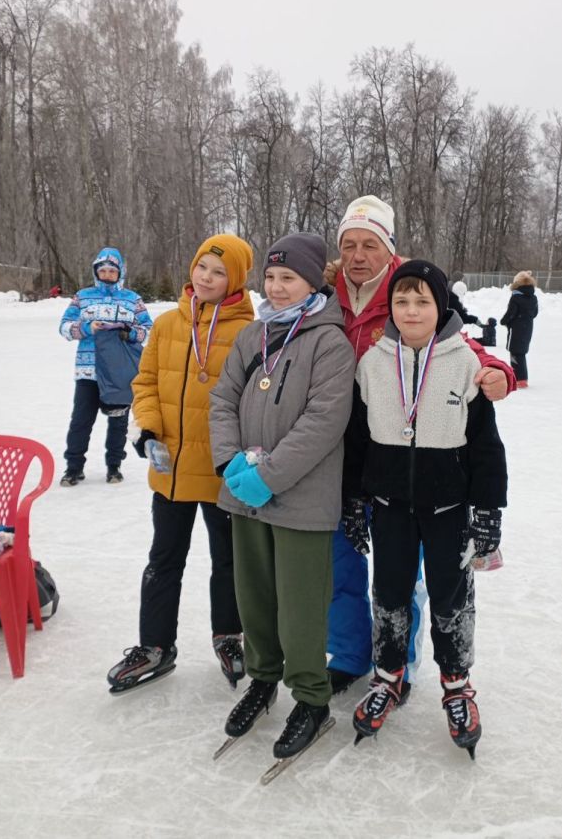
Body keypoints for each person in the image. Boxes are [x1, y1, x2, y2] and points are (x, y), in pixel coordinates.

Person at [327, 195, 516, 696]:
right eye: (349, 244)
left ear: (390, 251)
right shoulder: (325, 297)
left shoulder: (406, 287)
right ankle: (348, 655)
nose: (358, 254)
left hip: (416, 457)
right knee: (346, 563)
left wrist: (497, 368)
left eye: (370, 244)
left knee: (404, 576)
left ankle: (398, 667)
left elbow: (454, 349)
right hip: (346, 450)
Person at [344, 260, 507, 756]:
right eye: (401, 301)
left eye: (422, 302)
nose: (411, 311)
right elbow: (356, 441)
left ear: (441, 308)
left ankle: (457, 685)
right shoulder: (373, 363)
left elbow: (486, 448)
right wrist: (353, 499)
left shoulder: (464, 364)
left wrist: (488, 512)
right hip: (390, 507)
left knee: (451, 600)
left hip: (450, 510)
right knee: (389, 596)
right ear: (389, 308)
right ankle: (387, 678)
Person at [209, 233, 355, 761]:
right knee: (255, 598)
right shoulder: (254, 334)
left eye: (288, 277)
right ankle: (263, 678)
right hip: (244, 496)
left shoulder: (330, 342)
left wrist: (269, 475)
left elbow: (324, 422)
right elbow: (223, 398)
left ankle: (312, 700)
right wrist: (228, 464)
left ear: (313, 281)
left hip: (301, 498)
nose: (277, 286)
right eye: (270, 277)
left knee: (300, 607)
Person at [107, 234, 255, 693]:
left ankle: (229, 636)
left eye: (218, 272)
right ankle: (155, 645)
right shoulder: (169, 323)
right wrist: (148, 428)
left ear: (236, 280)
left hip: (220, 471)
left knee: (228, 561)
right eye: (201, 268)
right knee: (163, 559)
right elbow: (145, 381)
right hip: (170, 469)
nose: (206, 278)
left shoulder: (251, 331)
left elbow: (255, 401)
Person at [59, 247, 152, 486]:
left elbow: (149, 331)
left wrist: (130, 333)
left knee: (118, 421)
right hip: (88, 371)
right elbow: (64, 327)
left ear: (120, 272)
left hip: (119, 372)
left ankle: (114, 465)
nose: (108, 274)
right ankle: (74, 467)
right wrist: (87, 329)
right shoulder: (83, 296)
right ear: (96, 271)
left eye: (112, 270)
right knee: (81, 419)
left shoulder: (133, 300)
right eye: (103, 270)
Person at [500, 270, 539, 387]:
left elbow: (511, 313)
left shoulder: (516, 297)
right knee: (521, 352)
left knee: (515, 352)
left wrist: (504, 321)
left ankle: (518, 379)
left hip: (516, 328)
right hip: (527, 328)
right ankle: (522, 378)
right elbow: (535, 313)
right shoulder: (533, 297)